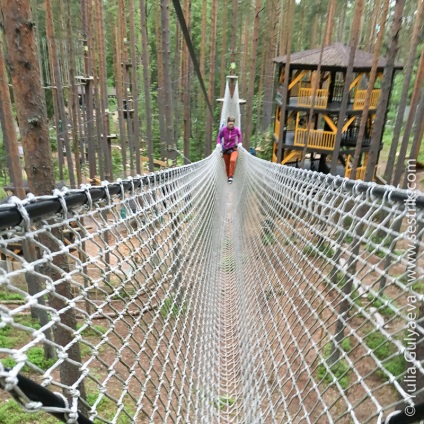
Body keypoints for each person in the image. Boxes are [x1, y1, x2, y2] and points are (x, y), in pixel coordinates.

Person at [216, 116, 242, 184]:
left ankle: (231, 176)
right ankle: (228, 178)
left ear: (234, 124)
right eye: (230, 124)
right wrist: (218, 143)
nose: (231, 126)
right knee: (227, 165)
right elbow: (219, 136)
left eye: (232, 124)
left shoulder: (236, 130)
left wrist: (239, 142)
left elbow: (239, 135)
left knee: (232, 160)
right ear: (227, 123)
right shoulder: (224, 130)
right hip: (226, 150)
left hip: (233, 149)